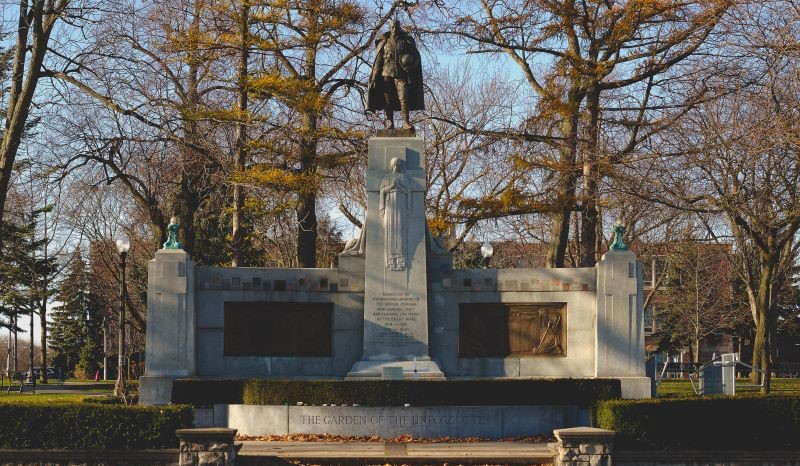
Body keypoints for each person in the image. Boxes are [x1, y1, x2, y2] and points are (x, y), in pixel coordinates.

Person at [367, 20, 425, 130]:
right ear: (390, 28)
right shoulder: (383, 42)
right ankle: (390, 123)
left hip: (401, 75)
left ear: (399, 27)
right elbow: (378, 63)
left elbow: (416, 57)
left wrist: (411, 67)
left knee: (404, 97)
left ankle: (406, 122)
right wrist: (374, 78)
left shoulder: (406, 41)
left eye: (396, 27)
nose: (394, 29)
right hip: (386, 75)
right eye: (392, 27)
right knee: (388, 100)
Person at [380, 158, 412, 270]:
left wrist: (399, 187)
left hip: (401, 206)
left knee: (400, 231)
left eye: (398, 165)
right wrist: (392, 187)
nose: (396, 167)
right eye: (394, 165)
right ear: (392, 165)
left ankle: (400, 260)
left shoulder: (403, 177)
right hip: (390, 206)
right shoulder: (387, 177)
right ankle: (390, 260)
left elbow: (408, 191)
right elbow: (382, 191)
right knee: (390, 232)